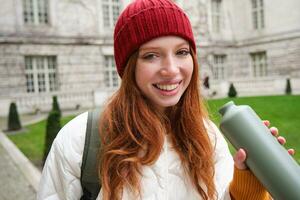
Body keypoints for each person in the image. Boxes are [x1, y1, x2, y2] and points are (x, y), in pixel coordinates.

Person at [37, 0, 295, 199]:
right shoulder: (80, 139)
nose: (171, 69)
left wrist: (247, 176)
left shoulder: (207, 134)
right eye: (151, 55)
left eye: (182, 52)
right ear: (129, 67)